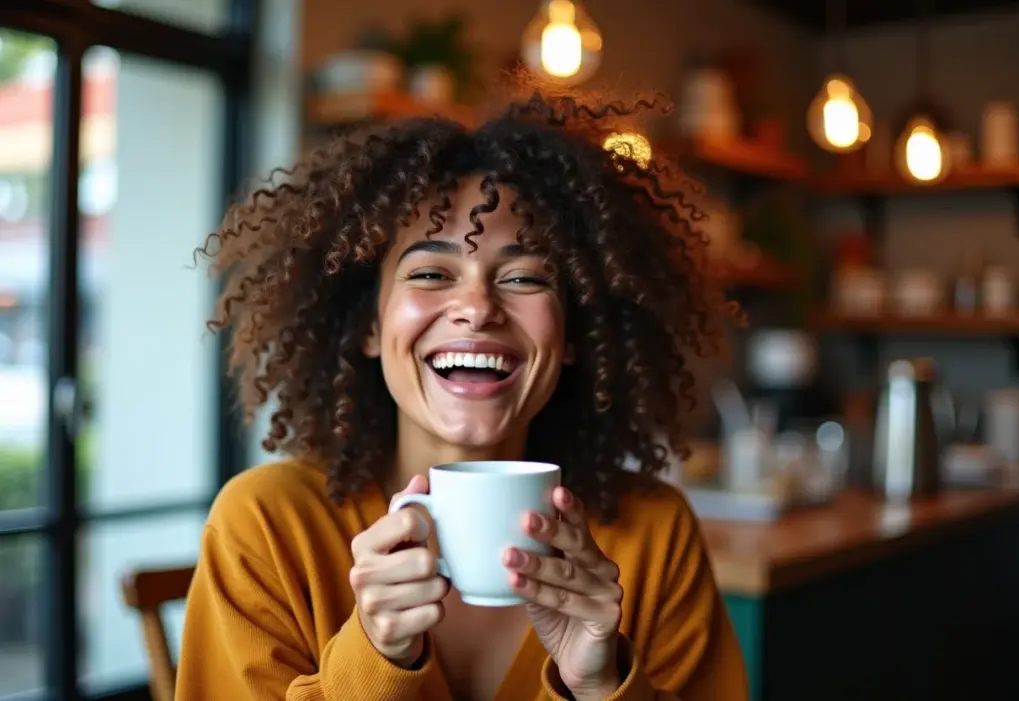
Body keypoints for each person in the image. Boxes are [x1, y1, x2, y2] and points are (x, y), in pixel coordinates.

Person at [175, 89, 748, 701]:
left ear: (576, 331)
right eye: (429, 273)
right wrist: (372, 661)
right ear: (368, 324)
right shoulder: (267, 527)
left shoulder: (654, 536)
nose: (476, 308)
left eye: (524, 277)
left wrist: (601, 685)